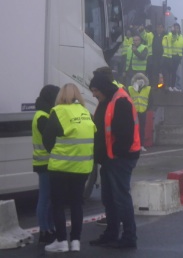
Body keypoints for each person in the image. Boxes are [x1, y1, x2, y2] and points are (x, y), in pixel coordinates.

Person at [88, 71, 141, 249]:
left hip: (120, 159)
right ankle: (112, 233)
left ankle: (128, 236)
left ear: (102, 88)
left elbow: (125, 133)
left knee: (120, 198)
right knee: (109, 198)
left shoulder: (120, 101)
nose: (93, 94)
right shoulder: (107, 100)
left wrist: (115, 154)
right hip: (110, 159)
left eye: (95, 90)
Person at [42, 84, 96, 253]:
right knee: (76, 204)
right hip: (82, 167)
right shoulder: (86, 113)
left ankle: (61, 241)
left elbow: (47, 139)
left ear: (61, 96)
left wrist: (58, 152)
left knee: (58, 204)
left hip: (61, 166)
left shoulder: (58, 111)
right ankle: (76, 241)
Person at [32, 84, 60, 244]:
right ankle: (44, 230)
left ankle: (49, 228)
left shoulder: (44, 113)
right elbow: (51, 137)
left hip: (47, 162)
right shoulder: (42, 116)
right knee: (45, 198)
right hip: (45, 163)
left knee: (49, 198)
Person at [127, 73, 151, 152]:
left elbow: (150, 100)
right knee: (132, 128)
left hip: (142, 111)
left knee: (142, 129)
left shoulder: (148, 89)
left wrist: (147, 109)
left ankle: (141, 145)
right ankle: (133, 144)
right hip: (133, 112)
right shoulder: (130, 88)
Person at [162, 23, 183, 91]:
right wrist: (173, 33)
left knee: (174, 72)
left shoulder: (181, 36)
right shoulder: (170, 35)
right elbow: (172, 40)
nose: (176, 29)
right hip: (172, 56)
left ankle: (173, 86)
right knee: (170, 72)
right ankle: (169, 86)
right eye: (175, 27)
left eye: (178, 28)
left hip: (178, 56)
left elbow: (182, 46)